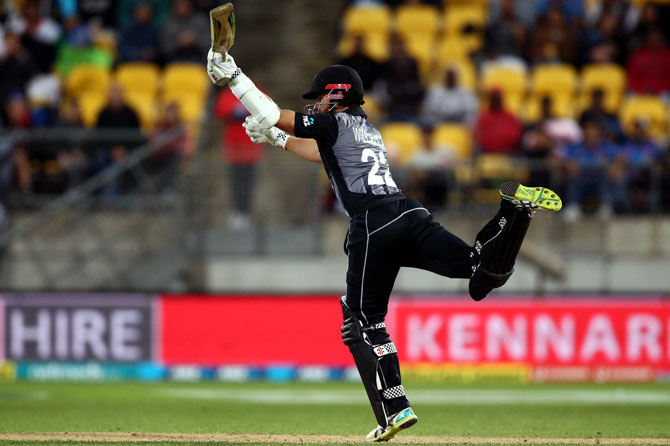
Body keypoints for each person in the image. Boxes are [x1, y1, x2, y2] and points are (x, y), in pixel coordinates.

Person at [206, 51, 562, 442]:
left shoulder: (332, 121)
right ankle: (514, 212)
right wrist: (277, 140)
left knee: (362, 319)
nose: (318, 103)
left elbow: (276, 113)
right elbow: (318, 154)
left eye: (322, 97)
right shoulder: (365, 128)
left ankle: (395, 409)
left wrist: (235, 78)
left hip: (373, 224)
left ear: (337, 95)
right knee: (479, 275)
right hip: (408, 213)